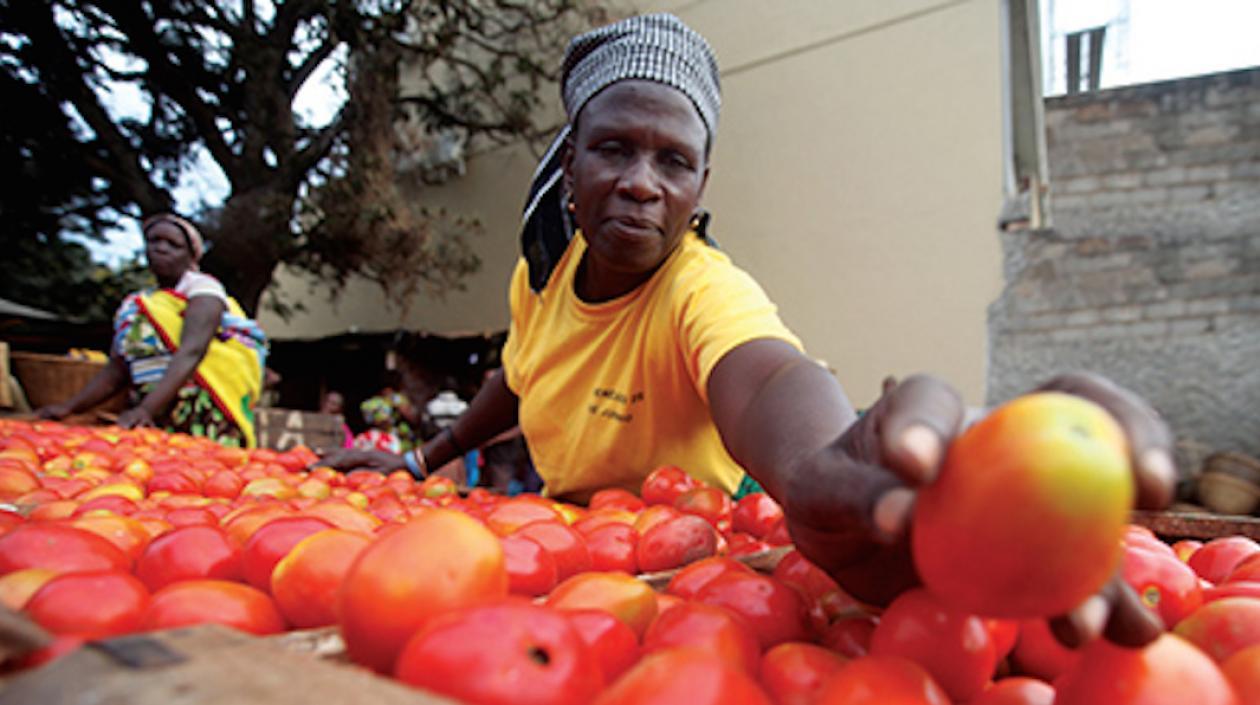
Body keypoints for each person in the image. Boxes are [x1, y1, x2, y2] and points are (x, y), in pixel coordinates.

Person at [318, 14, 1175, 648]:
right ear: (570, 164)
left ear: (701, 182)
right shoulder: (540, 272)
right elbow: (522, 370)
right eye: (615, 148)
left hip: (681, 567)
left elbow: (765, 375)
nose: (643, 182)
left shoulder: (701, 290)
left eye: (673, 160)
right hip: (563, 552)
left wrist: (823, 470)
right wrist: (420, 459)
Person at [38, 214, 268, 447]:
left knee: (202, 475)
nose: (161, 248)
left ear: (191, 256)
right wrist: (68, 408)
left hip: (200, 411)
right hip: (151, 412)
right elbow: (117, 370)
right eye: (154, 241)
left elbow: (192, 350)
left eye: (173, 244)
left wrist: (146, 409)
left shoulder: (204, 289)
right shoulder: (135, 306)